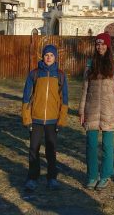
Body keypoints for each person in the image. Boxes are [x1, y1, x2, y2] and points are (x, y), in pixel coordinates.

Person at [79, 32, 114, 190]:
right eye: (98, 44)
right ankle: (92, 176)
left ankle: (105, 175)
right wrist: (81, 111)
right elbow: (85, 89)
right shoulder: (90, 63)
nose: (100, 47)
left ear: (108, 45)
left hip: (109, 110)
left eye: (103, 44)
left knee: (107, 146)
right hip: (91, 110)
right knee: (91, 145)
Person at [21, 44, 68, 192]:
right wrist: (26, 118)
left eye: (51, 55)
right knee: (33, 149)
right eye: (46, 55)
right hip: (36, 119)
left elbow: (64, 99)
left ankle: (52, 178)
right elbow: (26, 96)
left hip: (53, 120)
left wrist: (61, 119)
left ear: (55, 57)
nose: (49, 58)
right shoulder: (34, 74)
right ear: (43, 56)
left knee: (51, 150)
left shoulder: (60, 75)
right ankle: (32, 178)